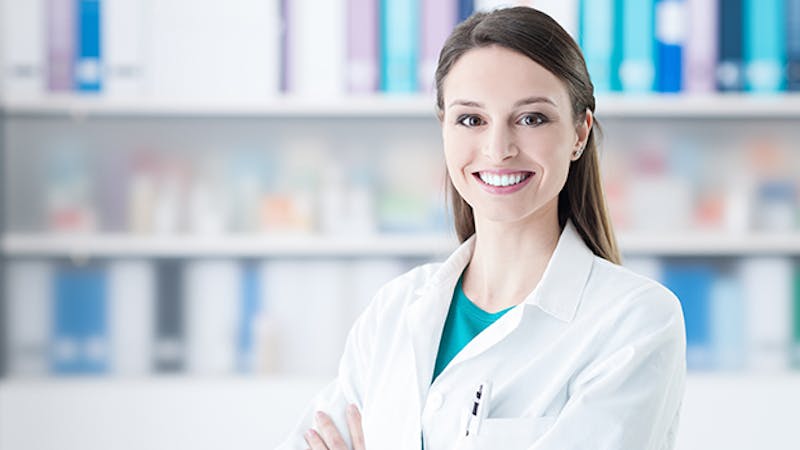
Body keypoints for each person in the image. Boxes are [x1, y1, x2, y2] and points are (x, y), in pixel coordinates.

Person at [278, 6, 686, 450]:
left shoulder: (634, 321)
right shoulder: (394, 312)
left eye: (531, 118)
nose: (498, 149)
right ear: (444, 127)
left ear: (579, 134)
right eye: (471, 119)